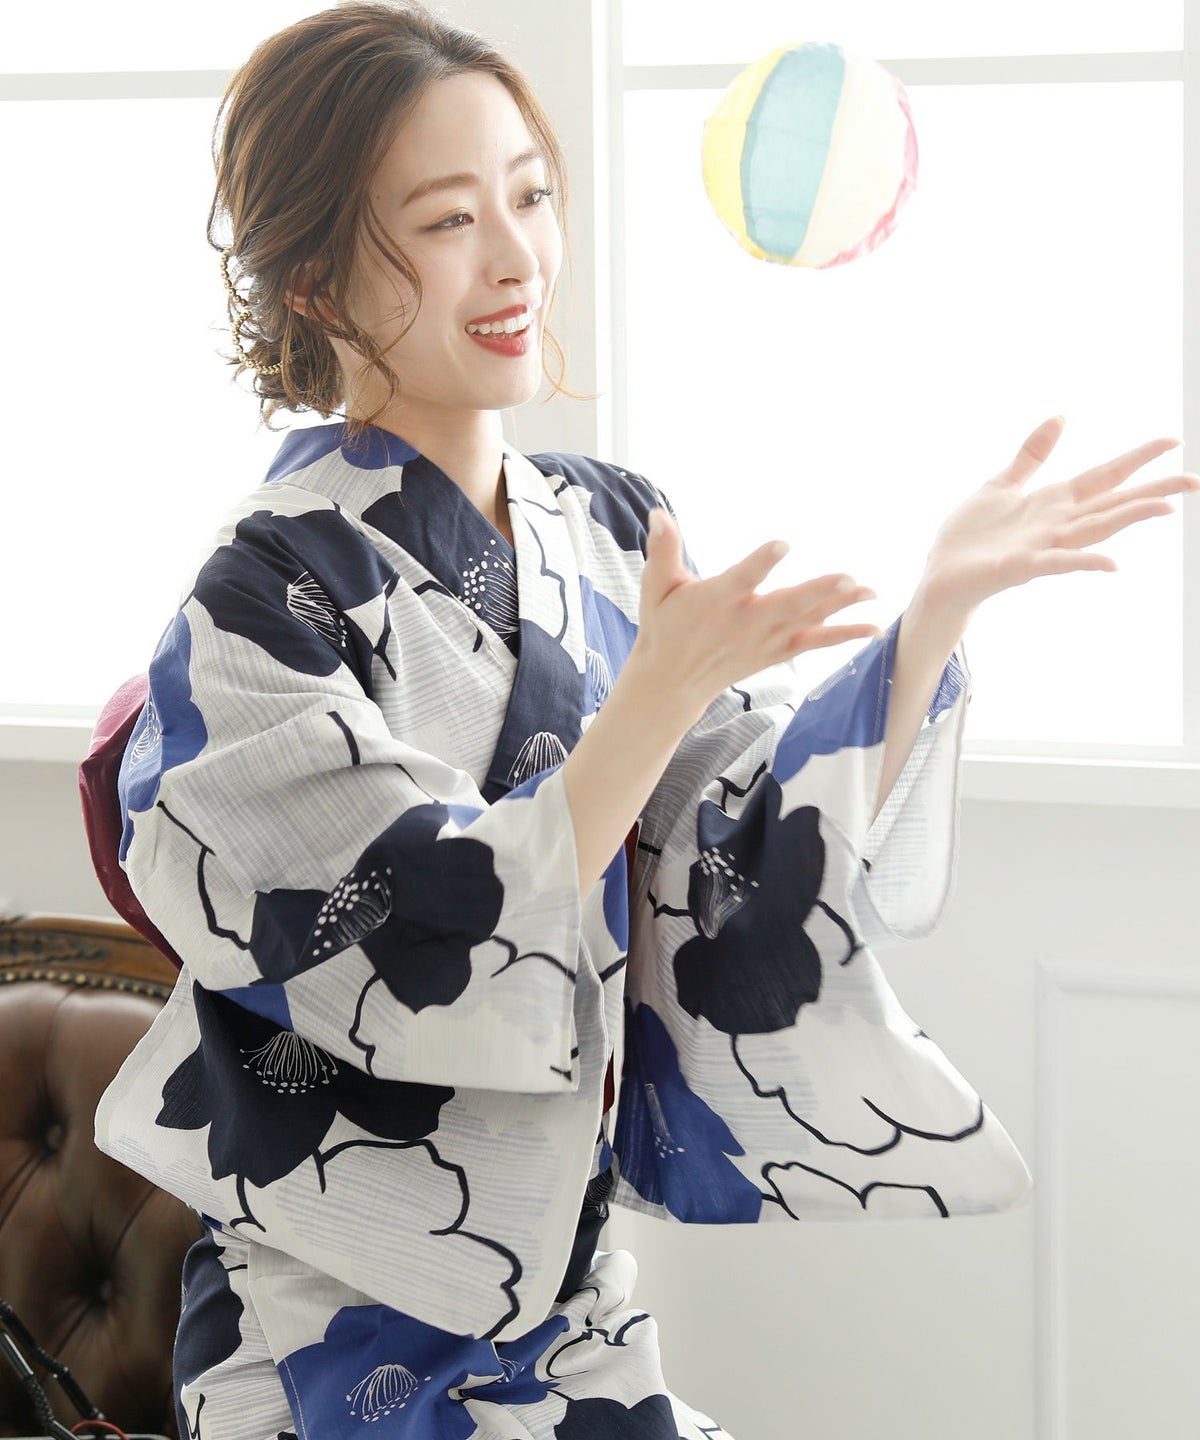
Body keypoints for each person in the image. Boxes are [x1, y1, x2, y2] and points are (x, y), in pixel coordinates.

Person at [92, 4, 1199, 1437]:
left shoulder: (612, 528)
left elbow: (740, 852)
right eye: (447, 221)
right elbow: (397, 929)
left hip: (571, 1320)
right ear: (313, 282)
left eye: (531, 196)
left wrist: (931, 620)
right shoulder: (254, 599)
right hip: (327, 1321)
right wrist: (654, 695)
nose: (517, 259)